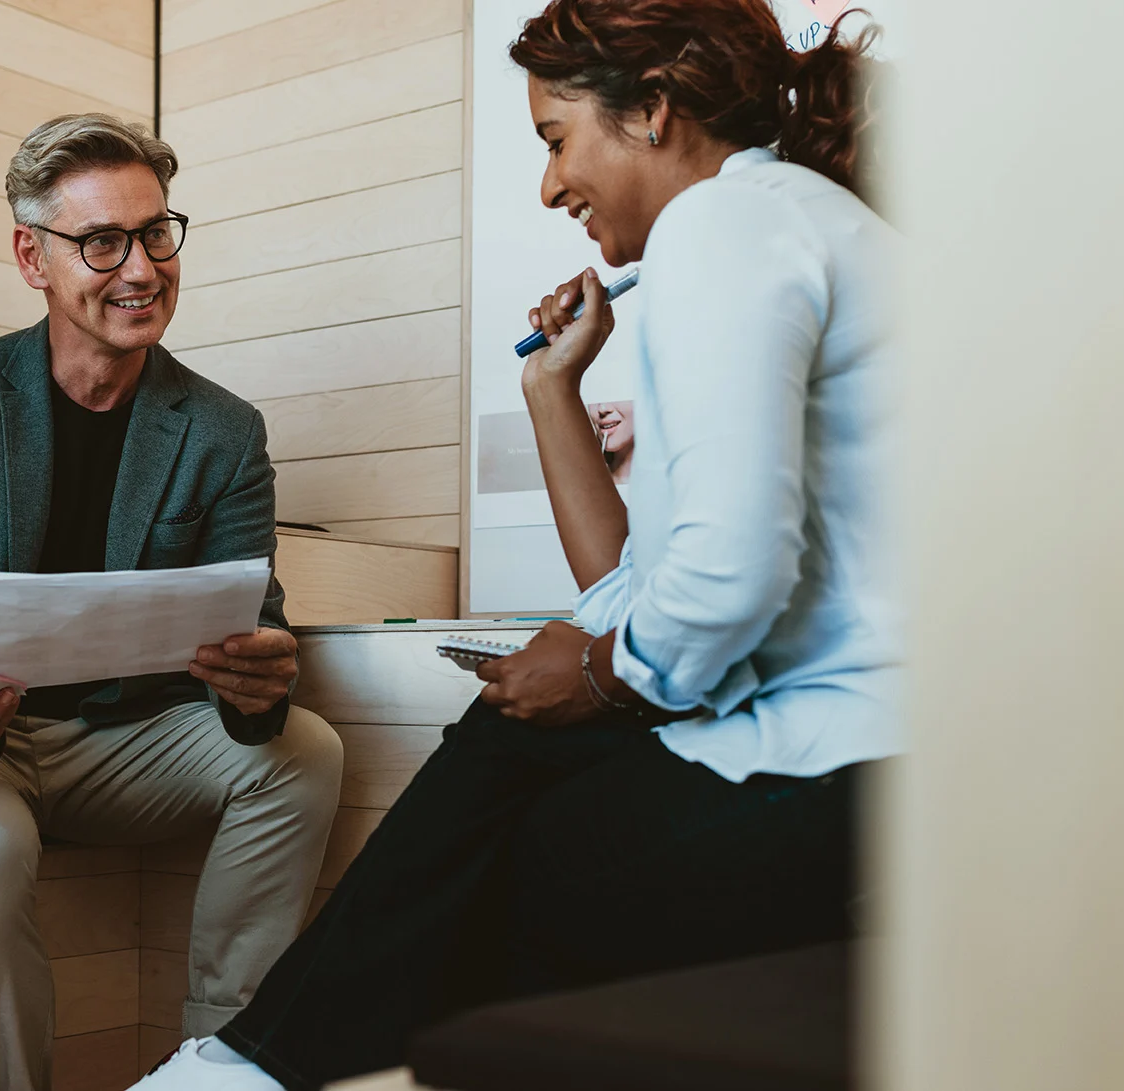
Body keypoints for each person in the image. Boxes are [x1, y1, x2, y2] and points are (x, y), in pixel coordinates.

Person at [134, 0, 901, 1087]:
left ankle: (246, 1067)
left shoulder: (724, 227)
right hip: (878, 745)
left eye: (555, 139)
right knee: (517, 760)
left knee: (515, 818)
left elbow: (727, 579)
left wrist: (597, 669)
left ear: (654, 111)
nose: (550, 186)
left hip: (860, 757)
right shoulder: (783, 218)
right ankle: (253, 1064)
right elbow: (640, 588)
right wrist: (552, 384)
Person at [0, 113, 343, 1091]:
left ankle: (222, 1064)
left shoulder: (221, 429)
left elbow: (256, 616)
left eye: (156, 232)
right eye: (102, 242)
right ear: (31, 256)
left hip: (137, 738)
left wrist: (262, 675)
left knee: (308, 749)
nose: (141, 268)